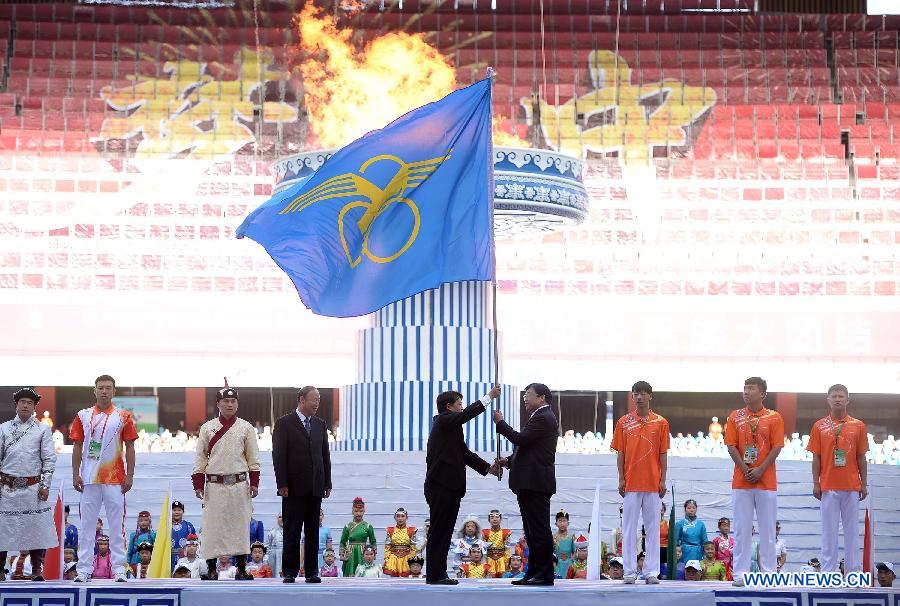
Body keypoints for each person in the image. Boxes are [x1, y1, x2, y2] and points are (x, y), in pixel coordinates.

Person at [424, 386, 502, 585]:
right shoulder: (443, 421)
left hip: (450, 487)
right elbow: (467, 415)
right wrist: (488, 398)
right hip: (441, 486)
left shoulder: (451, 428)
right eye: (459, 404)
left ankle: (438, 573)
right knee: (439, 531)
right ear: (448, 407)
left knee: (444, 531)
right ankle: (435, 574)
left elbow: (464, 454)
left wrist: (487, 468)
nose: (462, 408)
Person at [70, 375, 138, 583]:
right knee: (87, 527)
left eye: (108, 388)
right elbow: (77, 445)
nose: (104, 391)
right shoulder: (83, 415)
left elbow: (130, 446)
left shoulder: (123, 416)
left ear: (114, 391)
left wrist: (130, 474)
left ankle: (119, 568)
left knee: (117, 526)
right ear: (95, 390)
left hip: (115, 479)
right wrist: (75, 473)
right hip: (90, 479)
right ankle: (84, 569)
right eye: (101, 388)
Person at [191, 381, 261, 581]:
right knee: (213, 527)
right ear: (218, 404)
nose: (229, 404)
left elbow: (253, 458)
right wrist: (198, 484)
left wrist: (254, 482)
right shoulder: (208, 428)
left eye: (233, 401)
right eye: (225, 401)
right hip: (214, 485)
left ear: (237, 404)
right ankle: (211, 568)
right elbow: (201, 457)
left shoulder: (246, 428)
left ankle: (240, 568)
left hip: (239, 484)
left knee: (240, 526)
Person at [493, 383, 559, 586]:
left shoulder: (543, 416)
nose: (524, 398)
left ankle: (544, 573)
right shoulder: (539, 417)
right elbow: (530, 450)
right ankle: (534, 571)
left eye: (528, 394)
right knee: (531, 531)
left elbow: (521, 439)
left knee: (538, 530)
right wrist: (509, 461)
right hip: (530, 481)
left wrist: (501, 424)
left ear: (542, 397)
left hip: (535, 482)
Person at [725, 377, 784, 587]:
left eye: (751, 388)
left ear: (763, 393)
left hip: (766, 482)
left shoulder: (774, 417)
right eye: (745, 388)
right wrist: (745, 469)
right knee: (741, 529)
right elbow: (731, 445)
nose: (746, 392)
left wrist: (759, 469)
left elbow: (777, 447)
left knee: (767, 529)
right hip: (742, 482)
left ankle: (768, 573)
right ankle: (740, 574)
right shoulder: (735, 417)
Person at [611, 380, 669, 585]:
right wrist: (621, 478)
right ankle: (629, 571)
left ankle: (651, 571)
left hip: (653, 484)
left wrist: (662, 479)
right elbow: (621, 453)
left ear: (650, 396)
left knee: (652, 529)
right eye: (636, 393)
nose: (640, 397)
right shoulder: (623, 422)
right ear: (632, 396)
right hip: (631, 484)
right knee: (628, 529)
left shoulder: (661, 422)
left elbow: (663, 454)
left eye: (644, 393)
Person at [273, 386, 332, 583]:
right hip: (293, 486)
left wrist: (327, 482)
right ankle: (289, 571)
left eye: (319, 400)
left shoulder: (320, 424)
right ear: (301, 399)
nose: (316, 403)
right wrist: (282, 482)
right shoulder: (284, 423)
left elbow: (324, 455)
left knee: (313, 530)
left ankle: (312, 571)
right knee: (292, 529)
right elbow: (279, 455)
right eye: (313, 399)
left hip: (315, 485)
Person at [808, 384, 868, 574]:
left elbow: (861, 457)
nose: (837, 399)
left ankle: (854, 573)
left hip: (851, 486)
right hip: (828, 486)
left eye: (841, 396)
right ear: (828, 399)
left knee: (852, 533)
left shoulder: (858, 426)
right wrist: (816, 483)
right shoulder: (819, 426)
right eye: (834, 396)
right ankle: (828, 573)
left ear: (848, 399)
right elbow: (816, 456)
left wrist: (864, 483)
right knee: (829, 532)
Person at [0, 387, 58, 582]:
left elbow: (49, 460)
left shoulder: (42, 429)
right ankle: (0, 569)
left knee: (35, 529)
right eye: (22, 402)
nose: (25, 405)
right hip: (6, 487)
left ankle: (36, 570)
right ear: (16, 405)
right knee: (3, 527)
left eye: (29, 403)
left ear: (34, 407)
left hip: (33, 488)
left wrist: (45, 486)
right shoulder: (4, 428)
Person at [339, 497, 377, 578]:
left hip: (363, 553)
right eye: (356, 511)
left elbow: (373, 541)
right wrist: (342, 554)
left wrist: (373, 554)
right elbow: (342, 542)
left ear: (364, 511)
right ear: (352, 511)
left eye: (361, 511)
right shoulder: (347, 526)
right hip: (351, 553)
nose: (358, 514)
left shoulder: (368, 526)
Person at [383, 507, 417, 577]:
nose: (400, 518)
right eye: (398, 516)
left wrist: (412, 560)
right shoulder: (390, 531)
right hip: (393, 559)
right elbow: (387, 547)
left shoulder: (411, 531)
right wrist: (387, 559)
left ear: (406, 517)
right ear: (395, 518)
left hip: (406, 558)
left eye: (402, 516)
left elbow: (413, 548)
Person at [675, 500, 707, 564]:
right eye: (689, 508)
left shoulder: (701, 524)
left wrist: (705, 555)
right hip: (684, 551)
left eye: (693, 508)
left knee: (697, 571)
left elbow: (705, 541)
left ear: (696, 509)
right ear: (685, 509)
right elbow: (675, 540)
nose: (691, 510)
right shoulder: (679, 524)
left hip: (697, 552)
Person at [482, 509, 513, 576]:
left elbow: (507, 548)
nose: (494, 519)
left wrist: (507, 561)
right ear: (489, 520)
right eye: (492, 517)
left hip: (502, 559)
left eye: (497, 517)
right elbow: (483, 549)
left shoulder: (506, 532)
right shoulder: (485, 532)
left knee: (503, 578)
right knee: (490, 577)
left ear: (500, 519)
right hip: (489, 558)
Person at [170, 501, 197, 571]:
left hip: (185, 558)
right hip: (169, 558)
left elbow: (194, 544)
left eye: (179, 510)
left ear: (183, 511)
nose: (176, 512)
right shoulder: (166, 526)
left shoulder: (188, 526)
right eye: (174, 510)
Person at [552, 510, 575, 579]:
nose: (562, 523)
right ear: (556, 523)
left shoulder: (572, 537)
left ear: (568, 523)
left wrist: (572, 562)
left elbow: (575, 552)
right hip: (557, 565)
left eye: (564, 521)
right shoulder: (553, 537)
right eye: (560, 521)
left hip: (570, 564)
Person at [659, 502, 669, 570]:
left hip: (665, 550)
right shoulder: (649, 523)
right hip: (654, 550)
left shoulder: (668, 523)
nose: (659, 512)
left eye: (661, 510)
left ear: (664, 511)